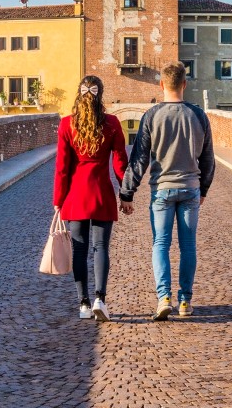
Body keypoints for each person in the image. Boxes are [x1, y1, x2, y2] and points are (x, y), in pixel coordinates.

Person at [119, 62, 215, 321]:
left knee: (160, 244)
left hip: (162, 189)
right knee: (188, 246)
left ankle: (164, 297)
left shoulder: (152, 116)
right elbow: (208, 159)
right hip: (190, 188)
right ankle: (185, 301)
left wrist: (127, 192)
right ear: (185, 84)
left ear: (161, 85)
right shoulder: (198, 115)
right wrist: (203, 188)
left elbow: (139, 159)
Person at [53, 75, 130, 322]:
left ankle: (83, 303)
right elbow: (120, 163)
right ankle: (100, 299)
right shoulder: (112, 123)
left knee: (79, 249)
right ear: (101, 95)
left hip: (75, 196)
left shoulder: (67, 125)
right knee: (101, 248)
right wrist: (126, 192)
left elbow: (62, 168)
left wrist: (58, 200)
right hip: (102, 194)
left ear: (79, 94)